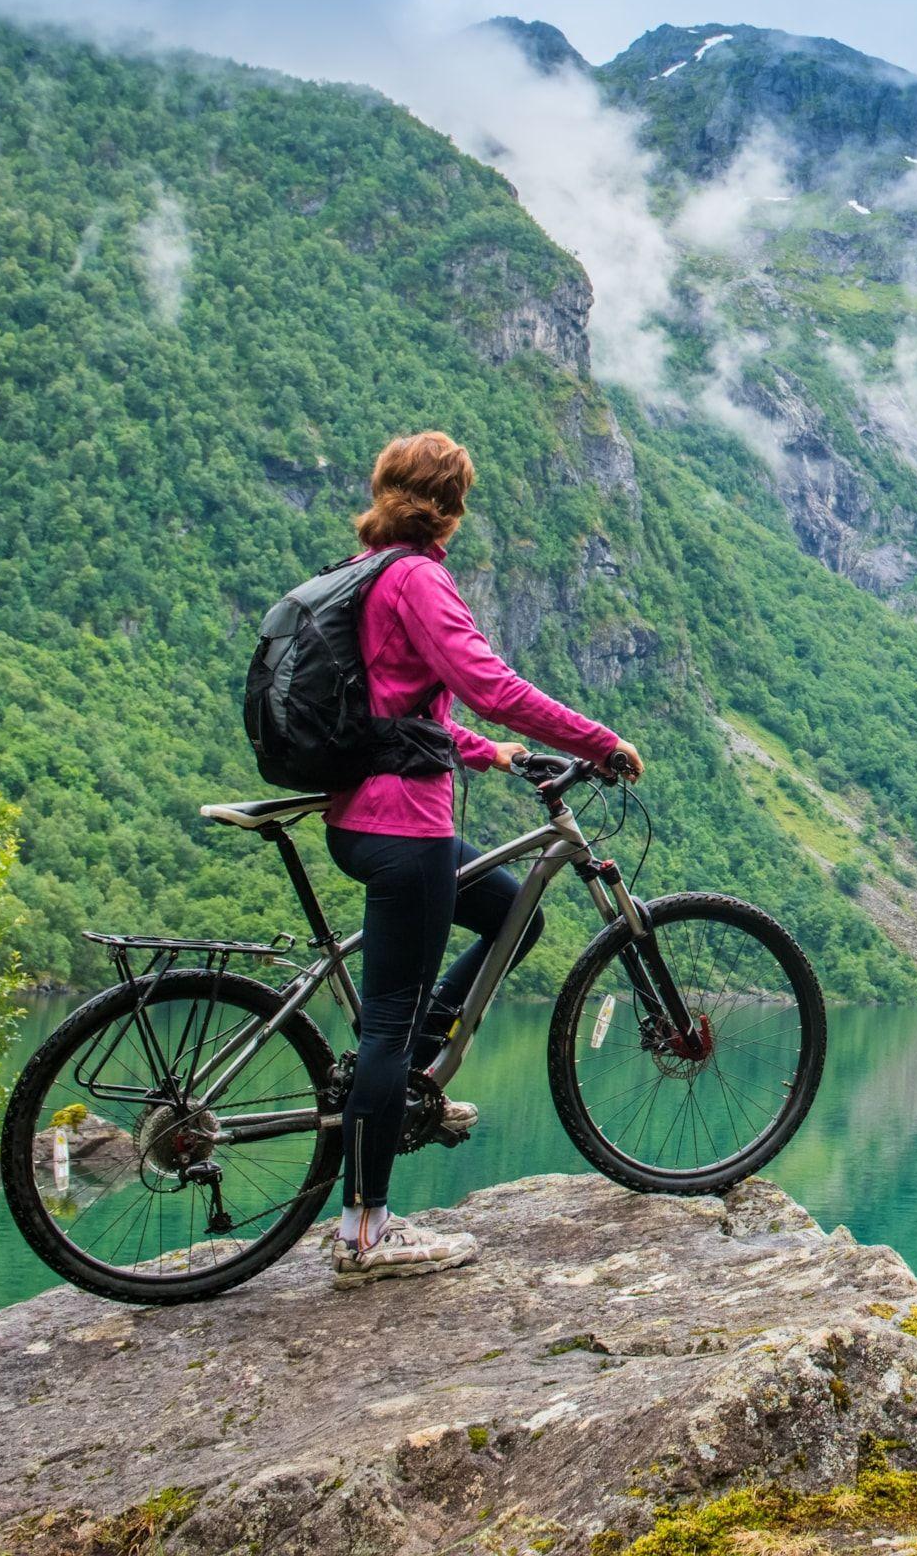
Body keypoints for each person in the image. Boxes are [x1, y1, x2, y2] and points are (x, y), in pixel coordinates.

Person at [316, 430, 642, 1284]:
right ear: (451, 505)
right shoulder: (419, 577)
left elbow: (393, 707)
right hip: (404, 829)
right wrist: (599, 741)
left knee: (507, 912)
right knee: (385, 1024)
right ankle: (365, 1233)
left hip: (362, 814)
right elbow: (489, 682)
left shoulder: (364, 575)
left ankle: (416, 1067)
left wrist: (483, 752)